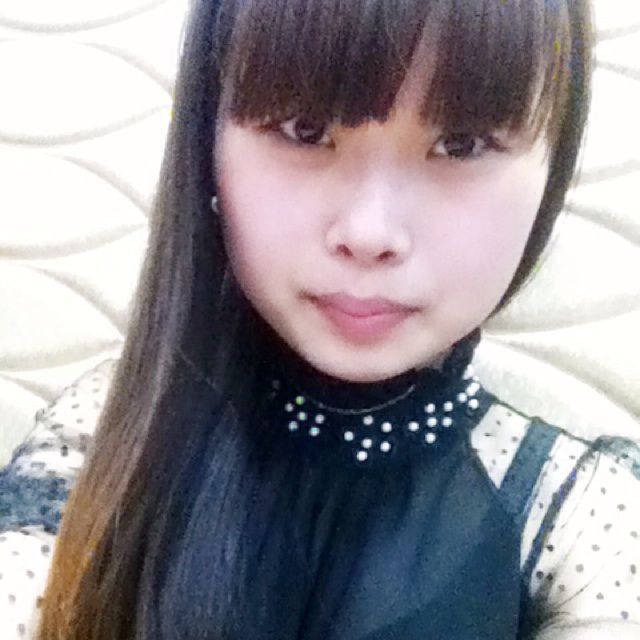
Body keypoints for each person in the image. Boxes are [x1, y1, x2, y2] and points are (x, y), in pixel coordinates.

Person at [1, 0, 640, 638]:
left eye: (462, 144)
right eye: (304, 130)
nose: (369, 233)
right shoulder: (108, 432)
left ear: (550, 172)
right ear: (207, 144)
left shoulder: (577, 511)